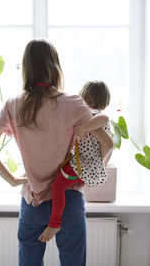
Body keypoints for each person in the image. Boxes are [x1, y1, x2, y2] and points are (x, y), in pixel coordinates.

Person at [0, 39, 112, 266]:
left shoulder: (13, 104)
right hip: (69, 198)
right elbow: (107, 143)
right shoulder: (73, 103)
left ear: (27, 68)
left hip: (32, 200)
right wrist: (89, 172)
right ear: (55, 67)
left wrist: (12, 180)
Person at [38, 80, 114, 242]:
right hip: (84, 168)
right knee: (62, 183)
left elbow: (104, 118)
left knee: (57, 186)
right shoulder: (91, 117)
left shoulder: (92, 115)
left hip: (80, 166)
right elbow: (108, 147)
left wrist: (84, 128)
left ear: (86, 97)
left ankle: (54, 223)